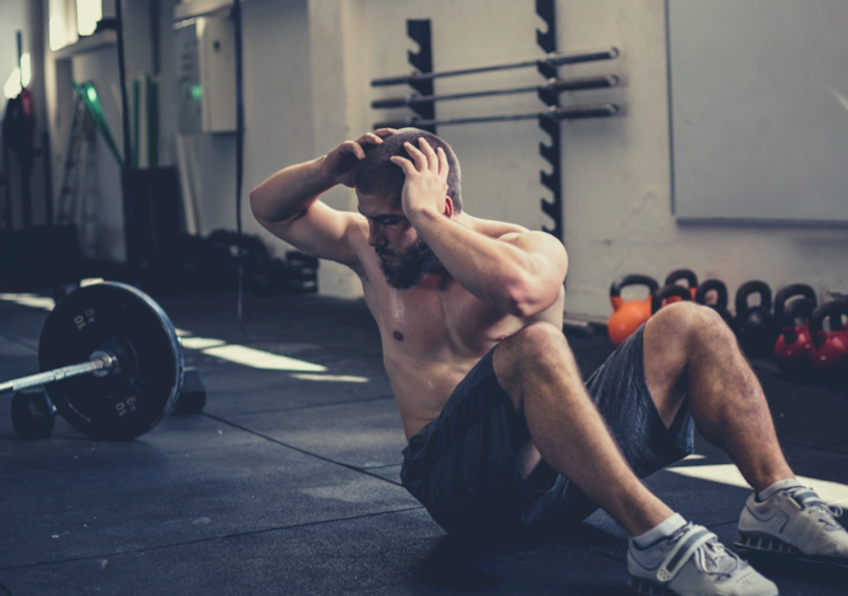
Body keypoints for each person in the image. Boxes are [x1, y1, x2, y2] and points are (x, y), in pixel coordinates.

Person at [250, 128, 847, 596]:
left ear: (443, 206)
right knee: (537, 347)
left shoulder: (527, 246)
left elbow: (522, 295)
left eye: (391, 221)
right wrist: (327, 170)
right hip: (461, 488)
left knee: (693, 322)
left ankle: (778, 503)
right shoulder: (368, 247)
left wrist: (425, 218)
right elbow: (268, 209)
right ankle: (659, 537)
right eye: (371, 218)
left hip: (563, 480)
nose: (374, 235)